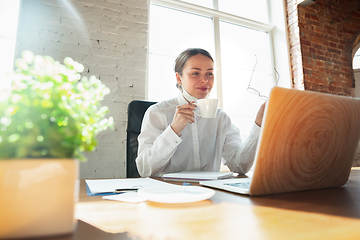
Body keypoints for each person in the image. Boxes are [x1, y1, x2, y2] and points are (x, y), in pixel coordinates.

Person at [136, 48, 266, 177]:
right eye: (195, 73)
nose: (205, 80)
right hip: (170, 193)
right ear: (179, 78)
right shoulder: (158, 113)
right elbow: (145, 170)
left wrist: (259, 125)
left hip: (211, 192)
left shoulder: (221, 118)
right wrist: (173, 130)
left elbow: (240, 166)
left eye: (209, 73)